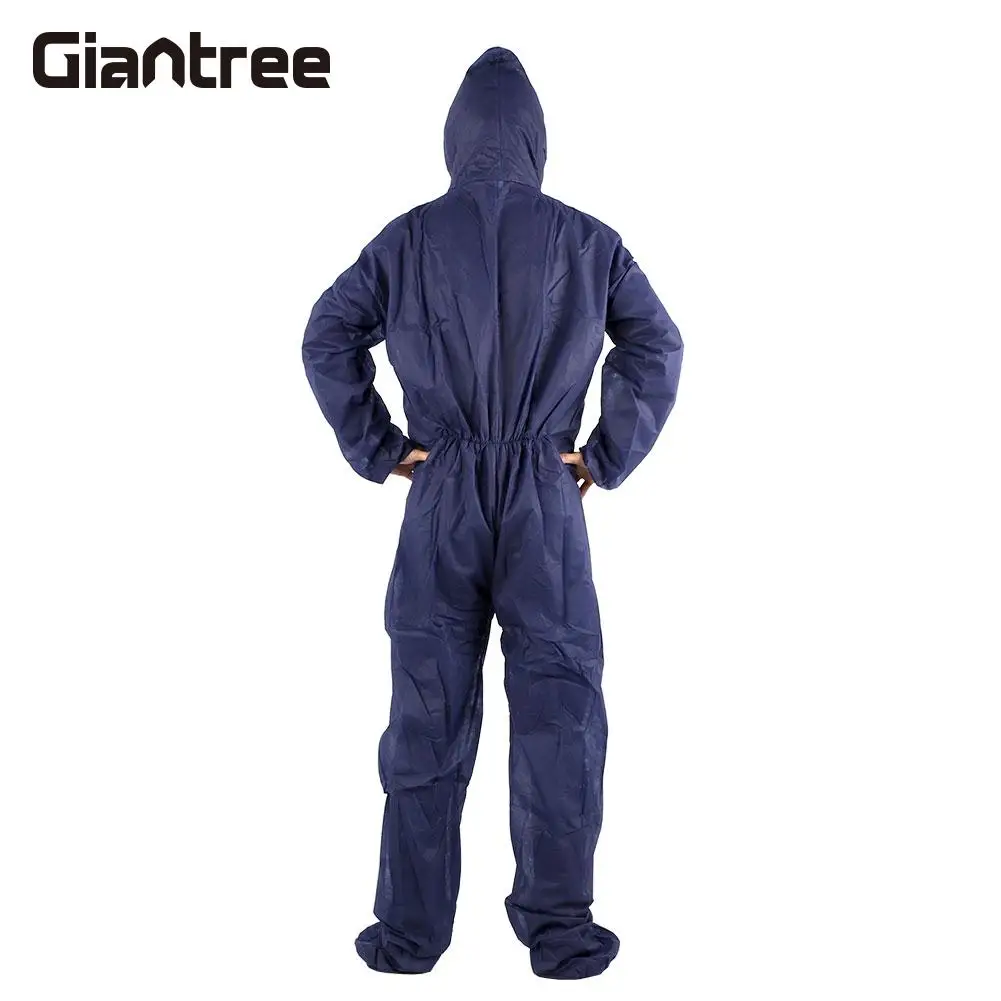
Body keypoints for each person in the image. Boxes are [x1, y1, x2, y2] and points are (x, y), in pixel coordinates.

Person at [302, 46, 683, 980]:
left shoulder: (408, 238)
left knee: (425, 711)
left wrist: (385, 447)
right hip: (546, 497)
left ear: (455, 137)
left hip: (442, 497)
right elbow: (656, 342)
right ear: (536, 139)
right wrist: (600, 456)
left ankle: (408, 934)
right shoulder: (587, 239)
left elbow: (326, 333)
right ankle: (560, 931)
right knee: (560, 710)